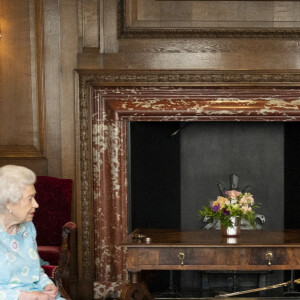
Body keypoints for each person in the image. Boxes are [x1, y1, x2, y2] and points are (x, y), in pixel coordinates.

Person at [0, 165, 65, 300]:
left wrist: (46, 285)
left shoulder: (28, 228)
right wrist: (25, 296)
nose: (36, 204)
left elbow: (35, 269)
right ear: (9, 203)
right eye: (30, 198)